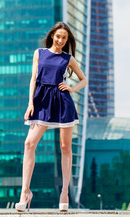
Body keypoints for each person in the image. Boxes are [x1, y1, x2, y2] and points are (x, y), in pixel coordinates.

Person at [15, 22, 88, 212]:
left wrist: (71, 88)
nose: (61, 40)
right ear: (52, 36)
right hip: (41, 101)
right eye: (58, 36)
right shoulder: (39, 53)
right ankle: (25, 192)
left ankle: (65, 193)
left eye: (64, 38)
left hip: (62, 101)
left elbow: (84, 79)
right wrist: (30, 103)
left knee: (65, 147)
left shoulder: (68, 58)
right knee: (29, 144)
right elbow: (33, 79)